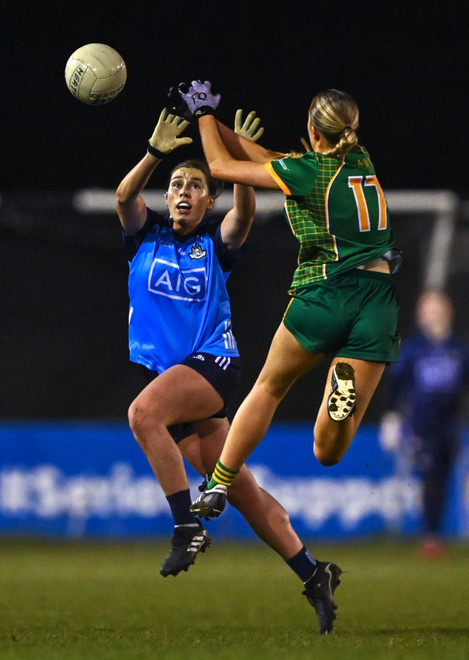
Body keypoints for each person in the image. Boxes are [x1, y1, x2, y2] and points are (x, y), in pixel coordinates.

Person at [168, 81, 401, 626]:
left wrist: (203, 113)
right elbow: (277, 160)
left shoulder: (311, 172)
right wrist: (221, 127)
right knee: (328, 450)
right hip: (378, 301)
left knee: (269, 389)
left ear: (315, 132)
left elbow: (223, 168)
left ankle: (218, 483)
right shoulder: (357, 160)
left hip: (324, 295)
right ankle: (338, 391)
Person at [115, 106, 340, 634]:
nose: (185, 191)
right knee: (238, 487)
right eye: (177, 184)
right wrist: (153, 154)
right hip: (178, 380)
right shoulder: (142, 236)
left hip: (212, 366)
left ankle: (185, 526)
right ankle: (314, 573)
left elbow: (243, 215)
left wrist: (238, 163)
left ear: (208, 199)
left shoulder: (214, 245)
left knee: (142, 415)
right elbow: (125, 198)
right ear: (166, 195)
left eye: (196, 185)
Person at [380, 289, 469, 558]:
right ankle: (431, 536)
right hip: (422, 426)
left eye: (437, 308)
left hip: (450, 425)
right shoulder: (413, 350)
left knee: (445, 478)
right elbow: (395, 384)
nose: (433, 314)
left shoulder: (458, 350)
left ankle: (441, 533)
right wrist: (391, 417)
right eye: (428, 308)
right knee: (431, 478)